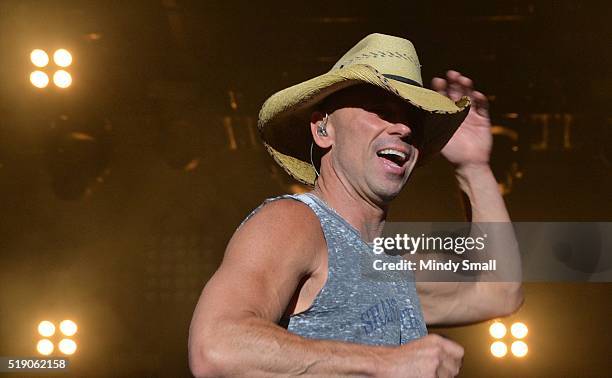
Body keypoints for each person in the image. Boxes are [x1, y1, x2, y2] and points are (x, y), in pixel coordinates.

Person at [189, 33, 523, 377]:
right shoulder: (294, 222)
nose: (404, 127)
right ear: (323, 129)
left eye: (413, 118)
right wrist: (385, 364)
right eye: (381, 110)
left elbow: (500, 291)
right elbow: (215, 347)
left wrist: (473, 168)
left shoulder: (389, 264)